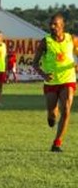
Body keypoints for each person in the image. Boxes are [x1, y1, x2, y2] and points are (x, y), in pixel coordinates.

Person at [33, 13, 78, 152]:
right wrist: (44, 75)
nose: (52, 27)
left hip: (68, 79)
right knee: (52, 116)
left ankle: (57, 143)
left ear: (62, 26)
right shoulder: (45, 42)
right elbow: (35, 63)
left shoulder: (72, 39)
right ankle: (51, 116)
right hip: (51, 83)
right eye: (51, 24)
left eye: (55, 25)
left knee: (66, 109)